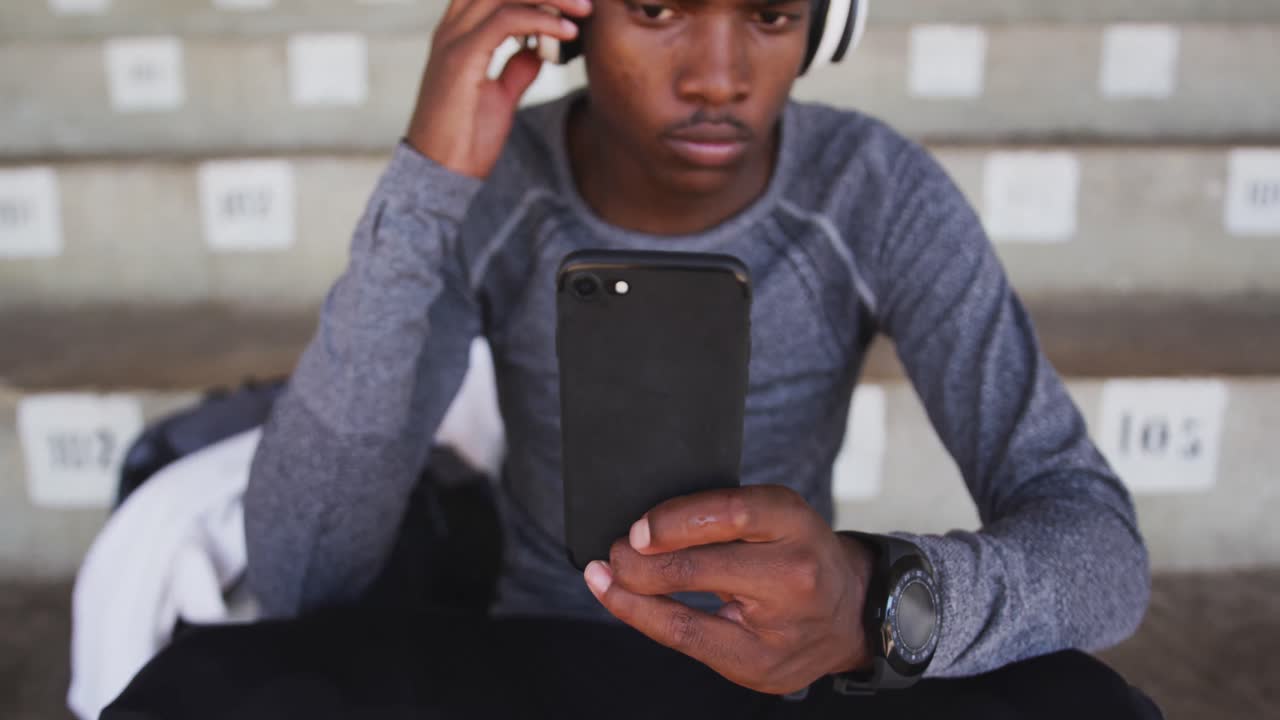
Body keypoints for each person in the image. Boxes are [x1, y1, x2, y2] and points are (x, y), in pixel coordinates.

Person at [104, 0, 1162, 717]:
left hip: (787, 677)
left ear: (826, 22)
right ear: (569, 16)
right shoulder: (498, 186)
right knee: (196, 688)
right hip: (535, 665)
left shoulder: (872, 190)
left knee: (1088, 704)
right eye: (655, 7)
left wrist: (874, 600)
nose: (716, 77)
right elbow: (303, 574)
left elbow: (1097, 546)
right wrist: (430, 179)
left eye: (767, 13)